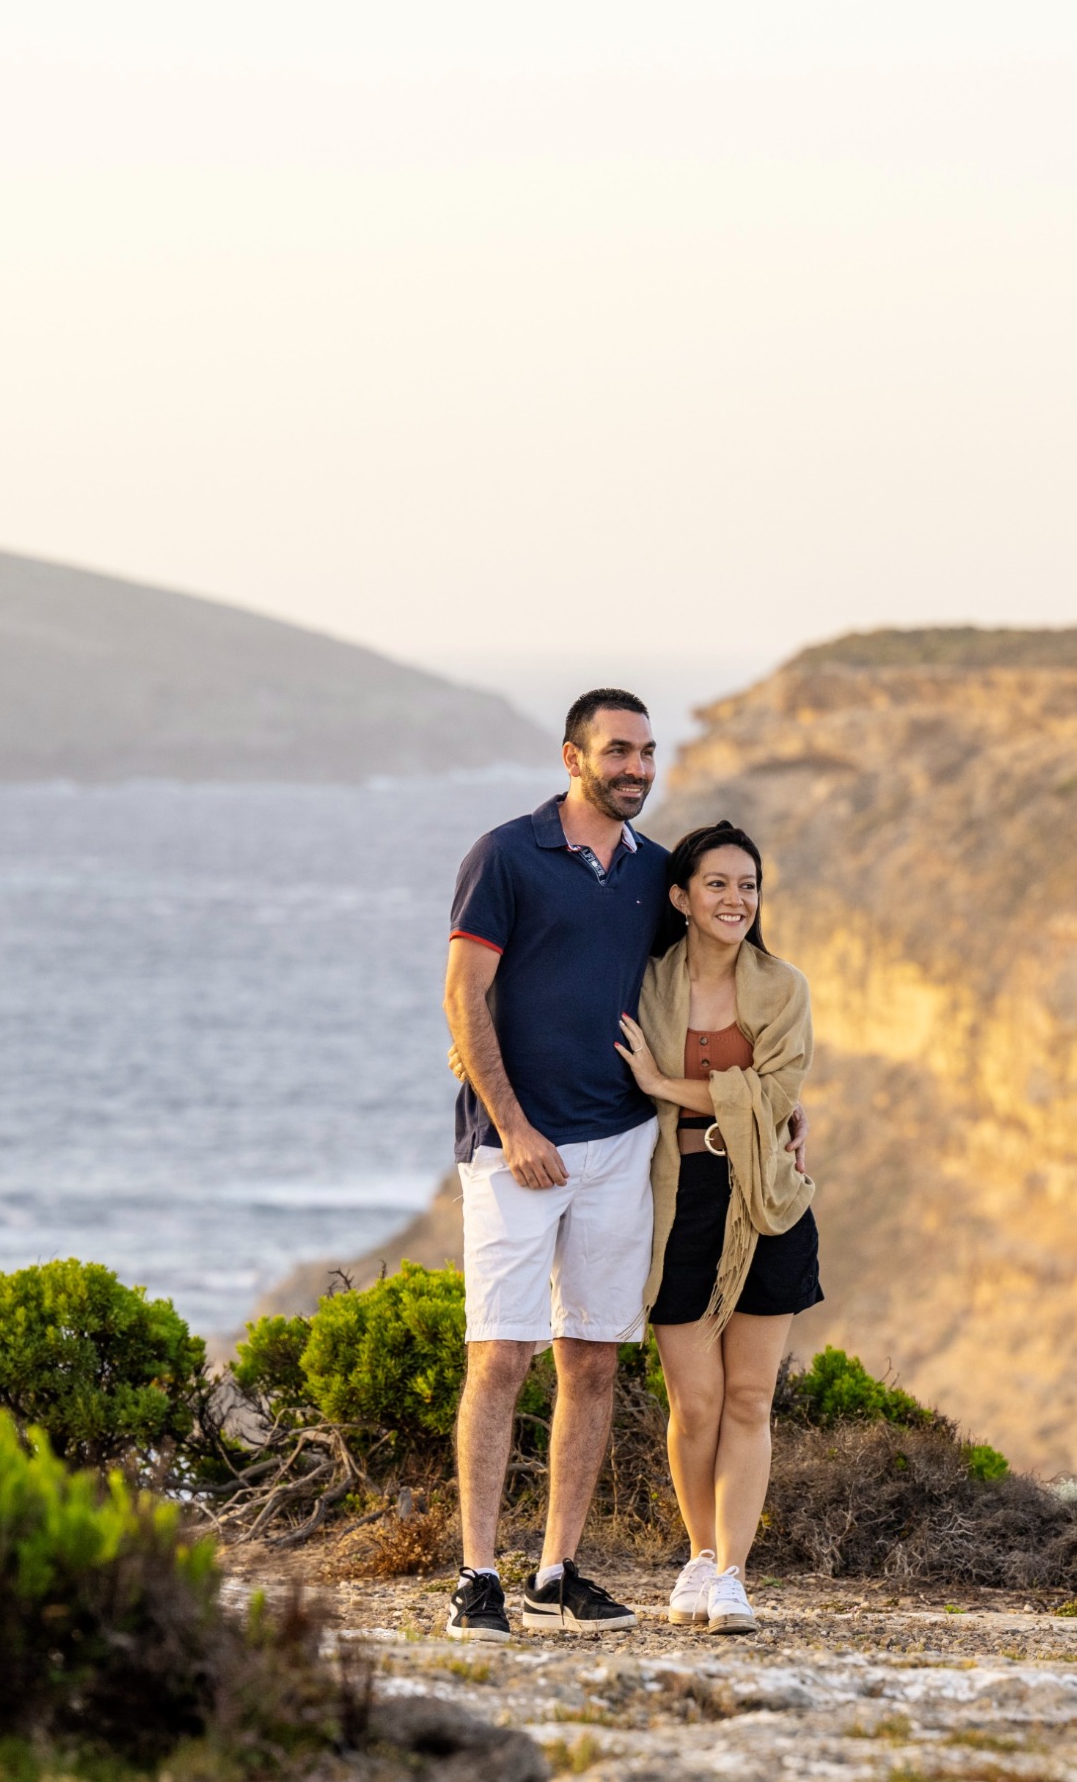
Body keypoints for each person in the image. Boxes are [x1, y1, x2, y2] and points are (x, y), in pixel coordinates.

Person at [439, 689, 668, 1641]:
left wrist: (775, 1089)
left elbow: (713, 977)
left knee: (595, 1358)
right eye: (619, 750)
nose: (637, 768)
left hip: (620, 1143)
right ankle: (477, 1574)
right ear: (572, 756)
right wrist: (516, 1125)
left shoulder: (656, 872)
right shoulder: (505, 854)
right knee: (500, 1356)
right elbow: (464, 994)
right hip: (513, 1152)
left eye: (649, 752)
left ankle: (557, 1570)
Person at [612, 820, 816, 1635]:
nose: (737, 899)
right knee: (693, 1403)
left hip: (765, 1197)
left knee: (749, 1396)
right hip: (678, 1199)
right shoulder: (646, 981)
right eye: (719, 884)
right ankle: (698, 1553)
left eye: (749, 885)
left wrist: (666, 1080)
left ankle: (732, 1572)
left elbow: (774, 1097)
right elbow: (561, 1024)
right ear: (681, 897)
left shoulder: (783, 986)